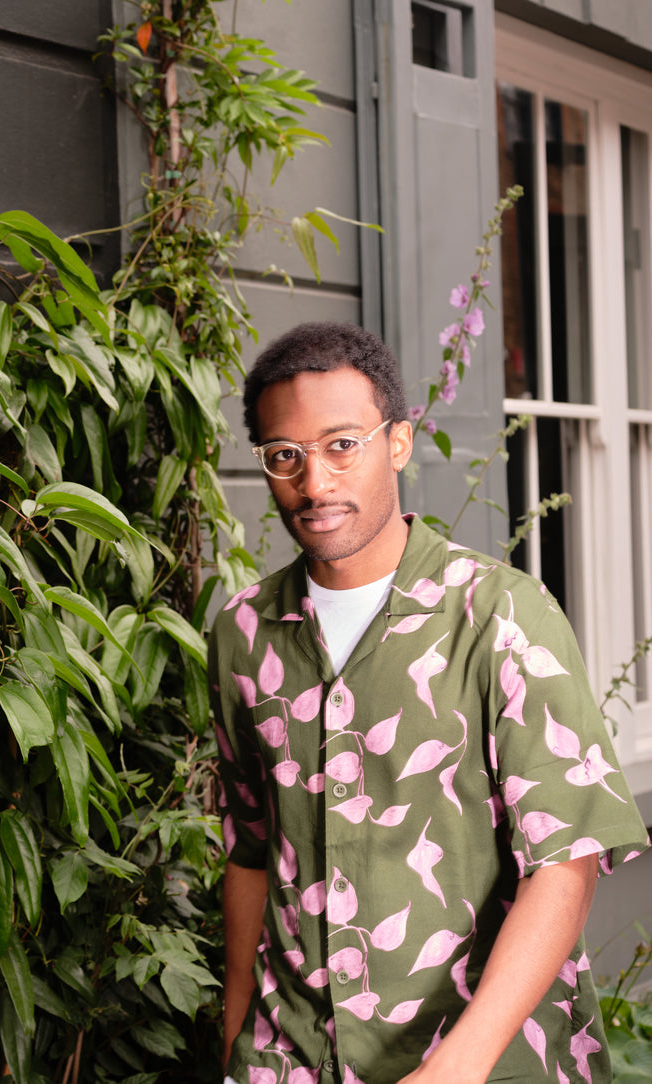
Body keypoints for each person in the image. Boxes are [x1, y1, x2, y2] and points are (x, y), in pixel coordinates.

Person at [211, 322, 649, 1084]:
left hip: (484, 1057)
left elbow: (566, 863)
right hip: (291, 1057)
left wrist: (459, 1065)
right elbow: (251, 848)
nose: (314, 483)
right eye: (286, 456)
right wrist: (233, 1031)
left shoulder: (500, 615)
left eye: (341, 444)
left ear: (398, 443)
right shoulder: (241, 632)